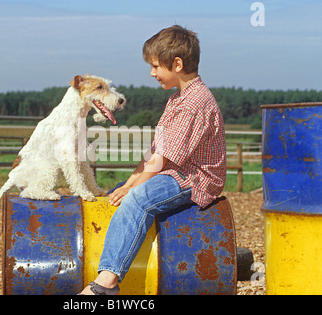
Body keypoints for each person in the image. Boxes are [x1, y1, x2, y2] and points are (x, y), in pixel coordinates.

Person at [79, 25, 227, 295]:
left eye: (156, 66)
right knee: (121, 192)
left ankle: (107, 283)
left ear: (177, 64)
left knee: (137, 199)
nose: (152, 73)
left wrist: (134, 189)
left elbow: (160, 161)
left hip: (195, 178)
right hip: (174, 170)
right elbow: (154, 153)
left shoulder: (194, 104)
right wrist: (129, 182)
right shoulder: (177, 99)